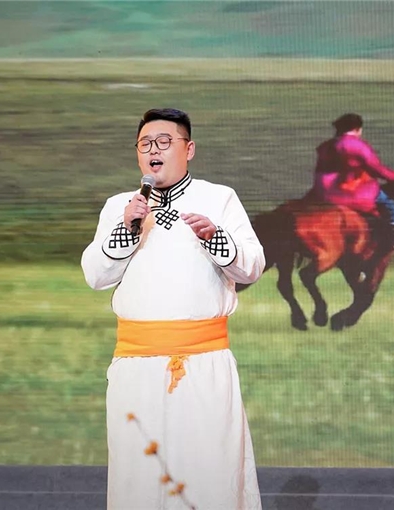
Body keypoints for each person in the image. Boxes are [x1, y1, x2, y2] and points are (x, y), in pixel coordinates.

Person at [81, 108, 265, 509]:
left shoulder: (219, 198)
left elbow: (252, 266)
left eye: (164, 142)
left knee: (210, 473)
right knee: (139, 477)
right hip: (136, 367)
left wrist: (215, 237)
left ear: (189, 149)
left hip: (203, 364)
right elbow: (95, 275)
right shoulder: (119, 206)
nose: (154, 150)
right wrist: (126, 228)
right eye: (145, 144)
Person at [311, 113, 394, 248]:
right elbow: (377, 169)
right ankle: (393, 235)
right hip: (345, 191)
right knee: (390, 204)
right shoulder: (357, 145)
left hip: (322, 190)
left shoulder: (325, 146)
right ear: (357, 129)